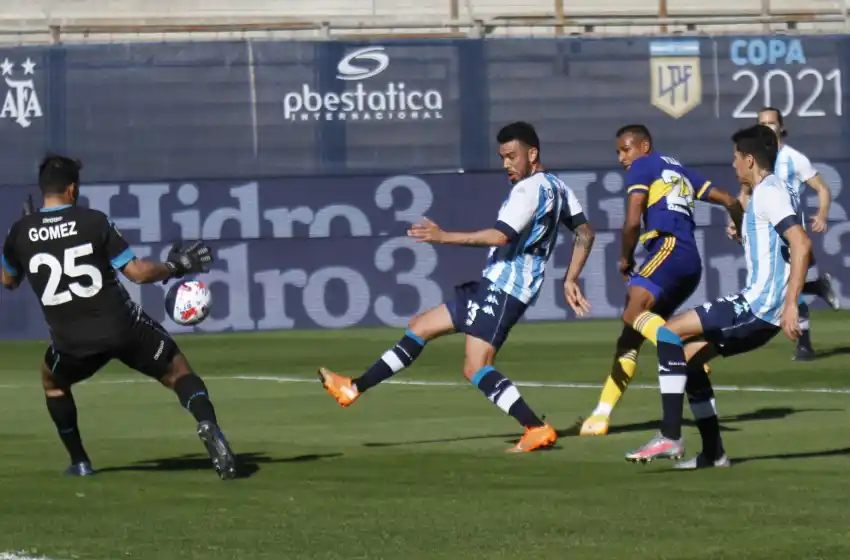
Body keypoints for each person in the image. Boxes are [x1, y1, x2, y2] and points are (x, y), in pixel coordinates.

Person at [317, 121, 595, 453]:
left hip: (504, 290)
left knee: (476, 367)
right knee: (419, 327)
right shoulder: (559, 187)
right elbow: (586, 233)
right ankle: (353, 389)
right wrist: (570, 277)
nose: (505, 164)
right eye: (501, 157)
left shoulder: (528, 189)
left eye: (511, 156)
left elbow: (499, 235)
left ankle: (535, 427)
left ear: (532, 154)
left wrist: (442, 236)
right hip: (493, 286)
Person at [1, 155, 236, 479]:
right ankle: (207, 423)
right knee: (178, 372)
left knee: (52, 382)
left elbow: (9, 281)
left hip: (72, 343)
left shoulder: (19, 232)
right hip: (122, 328)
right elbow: (138, 274)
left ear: (44, 190)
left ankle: (80, 462)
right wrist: (176, 266)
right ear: (71, 190)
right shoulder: (93, 221)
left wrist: (24, 237)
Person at [625, 124, 812, 468]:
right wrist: (755, 241)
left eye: (736, 158)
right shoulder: (776, 191)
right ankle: (714, 453)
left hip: (757, 306)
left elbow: (802, 244)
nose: (733, 165)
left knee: (666, 332)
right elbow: (801, 254)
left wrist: (789, 305)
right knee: (689, 358)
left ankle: (669, 435)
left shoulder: (769, 192)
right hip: (760, 306)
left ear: (750, 160)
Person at [579, 125, 744, 436]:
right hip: (690, 261)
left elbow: (631, 219)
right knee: (630, 336)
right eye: (618, 151)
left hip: (668, 248)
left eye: (626, 149)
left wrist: (625, 256)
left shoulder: (644, 166)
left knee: (631, 312)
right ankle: (601, 415)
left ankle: (686, 346)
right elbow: (729, 199)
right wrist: (739, 228)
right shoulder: (678, 169)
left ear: (644, 146)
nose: (621, 158)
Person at [734, 107, 839, 361]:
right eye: (762, 123)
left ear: (781, 127)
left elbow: (822, 188)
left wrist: (822, 214)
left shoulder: (794, 159)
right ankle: (816, 288)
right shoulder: (754, 159)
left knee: (790, 282)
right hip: (764, 231)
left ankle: (804, 344)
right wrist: (737, 221)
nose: (767, 127)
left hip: (788, 229)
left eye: (771, 123)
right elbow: (745, 194)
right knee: (787, 284)